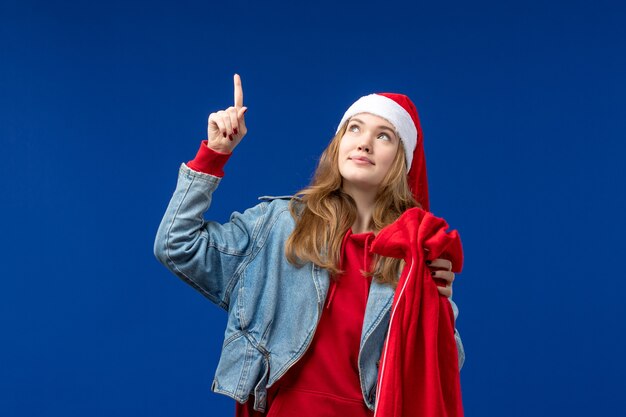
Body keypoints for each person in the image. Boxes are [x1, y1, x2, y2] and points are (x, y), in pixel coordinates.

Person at [154, 74, 464, 416]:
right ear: (338, 144)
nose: (364, 143)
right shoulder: (279, 226)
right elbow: (176, 245)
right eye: (355, 128)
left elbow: (442, 370)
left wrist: (439, 308)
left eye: (384, 136)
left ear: (401, 162)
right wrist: (214, 154)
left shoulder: (410, 254)